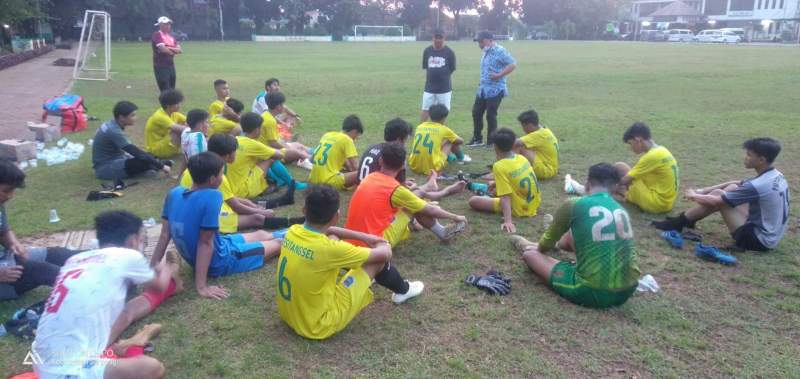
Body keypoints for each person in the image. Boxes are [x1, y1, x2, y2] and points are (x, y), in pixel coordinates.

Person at [33, 210, 182, 379]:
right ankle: (130, 345)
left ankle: (126, 345)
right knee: (152, 368)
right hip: (70, 371)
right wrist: (168, 267)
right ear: (133, 241)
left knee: (125, 312)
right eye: (142, 241)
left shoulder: (75, 259)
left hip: (42, 361)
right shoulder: (129, 255)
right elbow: (160, 286)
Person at [276, 185, 424, 340]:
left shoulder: (293, 231)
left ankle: (369, 279)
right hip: (318, 325)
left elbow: (330, 231)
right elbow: (385, 254)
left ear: (304, 210)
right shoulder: (330, 249)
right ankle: (403, 290)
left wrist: (366, 237)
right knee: (375, 261)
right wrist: (382, 242)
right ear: (336, 216)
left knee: (333, 239)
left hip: (290, 315)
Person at [151, 153, 282, 299]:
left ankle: (293, 230)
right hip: (220, 261)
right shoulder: (212, 196)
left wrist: (151, 268)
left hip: (220, 244)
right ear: (213, 179)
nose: (222, 177)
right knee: (278, 244)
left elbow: (164, 235)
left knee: (261, 234)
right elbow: (205, 243)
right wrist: (201, 287)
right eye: (221, 173)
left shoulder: (174, 193)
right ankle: (302, 234)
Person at [514, 163, 641, 309]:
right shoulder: (621, 210)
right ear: (614, 188)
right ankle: (559, 244)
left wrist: (541, 248)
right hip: (629, 289)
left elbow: (544, 245)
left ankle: (536, 245)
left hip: (592, 291)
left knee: (530, 255)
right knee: (578, 232)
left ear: (587, 184)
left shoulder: (574, 204)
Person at [653, 138, 789, 252]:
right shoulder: (775, 175)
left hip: (758, 241)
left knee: (720, 199)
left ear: (761, 160)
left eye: (749, 155)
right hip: (770, 233)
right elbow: (737, 183)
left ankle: (680, 222)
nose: (745, 158)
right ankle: (685, 221)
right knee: (732, 188)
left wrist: (693, 195)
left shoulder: (759, 185)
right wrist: (704, 190)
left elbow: (717, 201)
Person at [345, 143, 468, 249]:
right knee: (412, 205)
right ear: (402, 166)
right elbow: (428, 209)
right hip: (374, 243)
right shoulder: (395, 189)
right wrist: (455, 216)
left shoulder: (370, 178)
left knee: (412, 200)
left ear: (380, 160)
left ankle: (435, 190)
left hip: (351, 240)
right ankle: (442, 232)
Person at [180, 134, 303, 232]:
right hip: (205, 217)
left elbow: (230, 198)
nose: (237, 154)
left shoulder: (202, 163)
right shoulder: (216, 174)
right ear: (228, 156)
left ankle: (282, 201)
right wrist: (261, 212)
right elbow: (235, 206)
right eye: (235, 151)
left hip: (199, 208)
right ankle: (292, 221)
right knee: (256, 218)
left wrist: (252, 206)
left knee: (246, 202)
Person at [0, 161, 81, 301]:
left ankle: (109, 262)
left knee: (59, 254)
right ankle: (92, 290)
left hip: (4, 260)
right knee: (41, 270)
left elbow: (4, 231)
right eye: (7, 190)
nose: (11, 195)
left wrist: (14, 244)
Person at [565, 122, 679, 214]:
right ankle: (614, 194)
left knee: (617, 176)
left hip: (656, 203)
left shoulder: (652, 156)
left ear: (638, 139)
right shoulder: (662, 151)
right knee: (621, 169)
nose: (631, 148)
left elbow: (626, 180)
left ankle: (585, 191)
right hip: (666, 202)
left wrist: (610, 185)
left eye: (630, 143)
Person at [358, 118, 467, 201]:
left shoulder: (372, 147)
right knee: (417, 194)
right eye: (406, 138)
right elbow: (403, 192)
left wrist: (400, 180)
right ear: (399, 139)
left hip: (361, 191)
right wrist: (415, 186)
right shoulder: (396, 154)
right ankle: (442, 189)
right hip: (378, 197)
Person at [468, 128, 541, 234]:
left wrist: (508, 221)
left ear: (495, 146)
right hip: (533, 203)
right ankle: (488, 191)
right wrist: (495, 183)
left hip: (520, 208)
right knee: (493, 186)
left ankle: (483, 193)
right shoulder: (521, 157)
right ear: (513, 145)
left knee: (473, 201)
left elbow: (505, 197)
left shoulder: (499, 166)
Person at [227, 112, 300, 200]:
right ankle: (292, 183)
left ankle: (276, 180)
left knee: (260, 158)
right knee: (270, 159)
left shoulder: (236, 139)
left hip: (228, 188)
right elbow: (279, 155)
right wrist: (287, 150)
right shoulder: (253, 144)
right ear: (257, 129)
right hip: (241, 191)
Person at [93, 101, 172, 180]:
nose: (136, 118)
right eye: (132, 115)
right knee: (143, 160)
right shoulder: (113, 131)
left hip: (116, 159)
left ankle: (154, 165)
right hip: (105, 168)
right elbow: (134, 151)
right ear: (121, 117)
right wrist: (161, 166)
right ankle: (156, 166)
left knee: (148, 156)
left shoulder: (112, 123)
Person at [467, 31, 516, 147]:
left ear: (489, 40)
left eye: (481, 41)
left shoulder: (500, 51)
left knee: (491, 115)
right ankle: (477, 139)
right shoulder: (486, 51)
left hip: (496, 89)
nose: (479, 44)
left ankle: (491, 141)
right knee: (476, 112)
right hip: (483, 88)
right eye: (478, 42)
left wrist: (499, 75)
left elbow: (513, 64)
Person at [408, 104, 470, 176]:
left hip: (414, 165)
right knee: (450, 140)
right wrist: (451, 136)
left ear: (430, 115)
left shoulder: (420, 126)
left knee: (437, 142)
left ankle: (448, 157)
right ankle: (461, 158)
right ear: (443, 118)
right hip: (432, 168)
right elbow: (460, 141)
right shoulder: (443, 129)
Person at [258, 91, 312, 170]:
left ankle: (315, 152)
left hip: (270, 148)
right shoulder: (270, 121)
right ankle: (316, 160)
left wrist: (287, 145)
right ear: (278, 106)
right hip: (269, 152)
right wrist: (288, 148)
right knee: (298, 152)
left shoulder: (266, 114)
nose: (284, 107)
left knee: (297, 145)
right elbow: (273, 143)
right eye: (282, 104)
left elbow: (275, 140)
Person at [308, 115, 363, 190]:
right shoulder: (347, 140)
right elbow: (355, 167)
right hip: (328, 181)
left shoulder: (327, 135)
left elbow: (312, 159)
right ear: (354, 131)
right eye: (357, 134)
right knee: (362, 172)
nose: (356, 138)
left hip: (313, 179)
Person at [421, 29, 456, 121]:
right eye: (436, 38)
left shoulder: (450, 52)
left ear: (444, 39)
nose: (438, 40)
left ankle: (440, 132)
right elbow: (426, 66)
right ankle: (421, 131)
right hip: (429, 88)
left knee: (443, 112)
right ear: (433, 38)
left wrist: (442, 75)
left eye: (440, 38)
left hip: (444, 89)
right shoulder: (427, 51)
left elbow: (452, 68)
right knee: (425, 109)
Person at [514, 109, 559, 180]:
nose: (523, 129)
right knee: (524, 145)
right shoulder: (544, 130)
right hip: (551, 168)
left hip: (546, 171)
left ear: (529, 125)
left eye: (523, 126)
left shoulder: (539, 135)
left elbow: (515, 142)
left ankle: (511, 170)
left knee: (519, 146)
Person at [145, 89, 187, 159]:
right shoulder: (159, 116)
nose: (179, 105)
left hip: (164, 144)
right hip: (155, 150)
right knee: (177, 131)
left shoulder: (174, 113)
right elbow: (182, 129)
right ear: (168, 106)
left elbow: (191, 121)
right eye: (177, 104)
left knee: (188, 126)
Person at [151, 16, 181, 92]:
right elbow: (162, 49)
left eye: (169, 24)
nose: (168, 26)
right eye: (166, 24)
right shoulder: (157, 35)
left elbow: (179, 50)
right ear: (160, 25)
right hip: (161, 66)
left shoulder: (171, 37)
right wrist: (172, 51)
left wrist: (168, 48)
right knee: (165, 89)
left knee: (172, 88)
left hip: (171, 66)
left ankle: (172, 104)